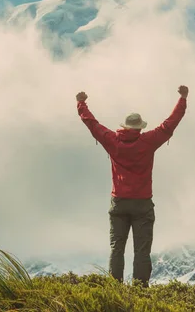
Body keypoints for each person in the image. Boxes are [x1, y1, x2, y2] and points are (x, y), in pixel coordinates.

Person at [75, 85, 188, 287]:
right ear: (139, 128)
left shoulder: (112, 140)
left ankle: (115, 289)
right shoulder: (148, 141)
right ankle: (140, 291)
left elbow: (92, 125)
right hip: (142, 204)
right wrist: (182, 98)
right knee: (142, 251)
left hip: (119, 202)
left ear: (124, 127)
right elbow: (169, 125)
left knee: (117, 248)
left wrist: (81, 104)